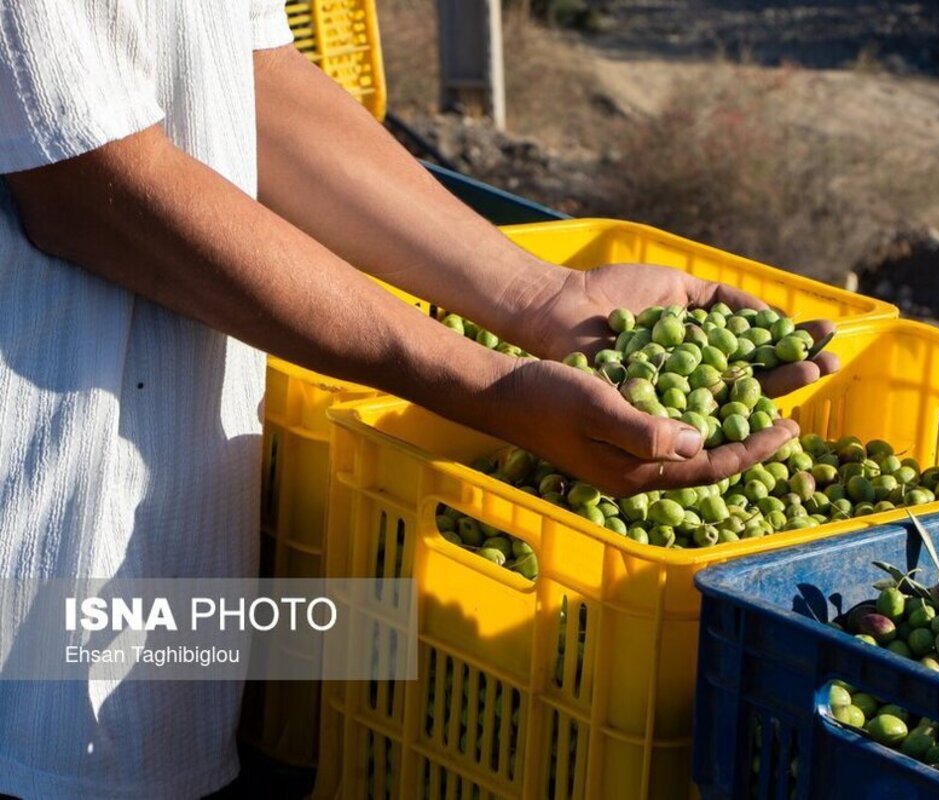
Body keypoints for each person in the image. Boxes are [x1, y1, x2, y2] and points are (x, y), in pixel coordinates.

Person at [0, 1, 838, 797]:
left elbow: (243, 68)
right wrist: (490, 384)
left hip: (157, 523)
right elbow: (84, 179)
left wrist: (538, 300)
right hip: (38, 531)